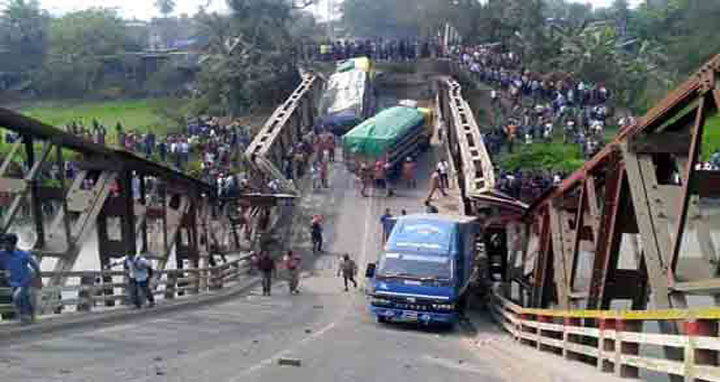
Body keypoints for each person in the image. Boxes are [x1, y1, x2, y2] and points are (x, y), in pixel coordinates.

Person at [0, 234, 40, 324]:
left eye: (5, 243)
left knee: (17, 297)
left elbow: (35, 266)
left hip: (25, 282)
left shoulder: (23, 254)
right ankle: (30, 317)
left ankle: (25, 316)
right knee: (24, 299)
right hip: (13, 282)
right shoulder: (1, 254)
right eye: (3, 243)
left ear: (12, 244)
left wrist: (38, 279)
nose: (3, 245)